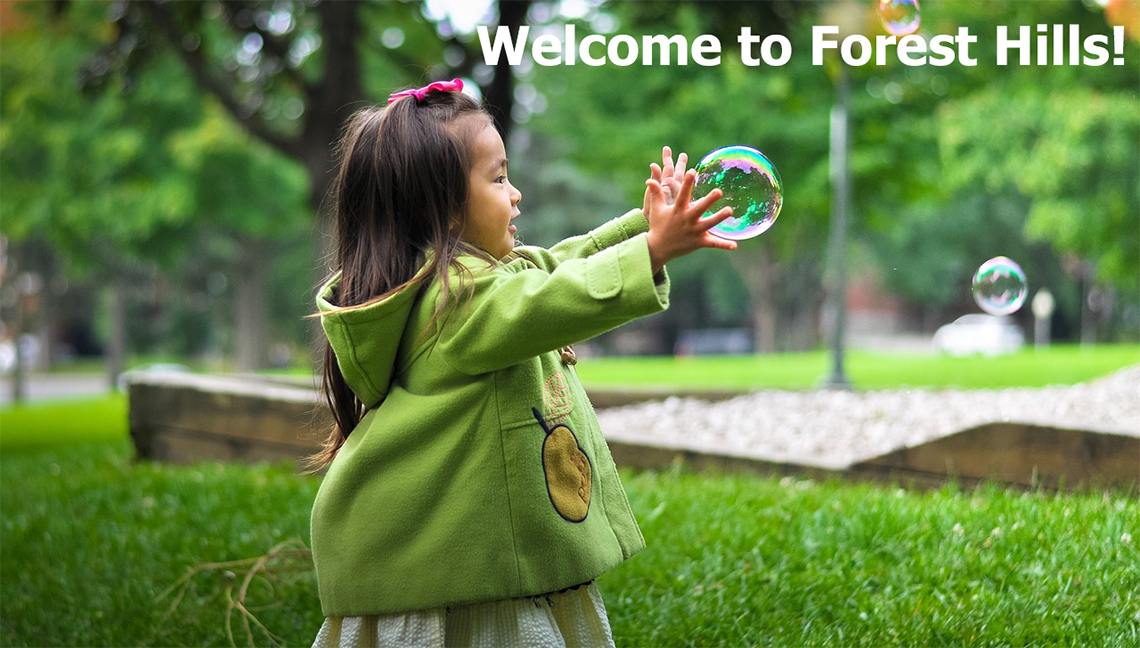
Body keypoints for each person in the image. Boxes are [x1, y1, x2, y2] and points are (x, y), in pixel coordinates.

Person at [307, 78, 735, 648]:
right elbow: (555, 297)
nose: (516, 194)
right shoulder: (455, 303)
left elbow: (559, 263)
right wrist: (652, 251)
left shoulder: (472, 282)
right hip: (461, 578)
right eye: (499, 177)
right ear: (444, 208)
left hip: (477, 559)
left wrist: (642, 226)